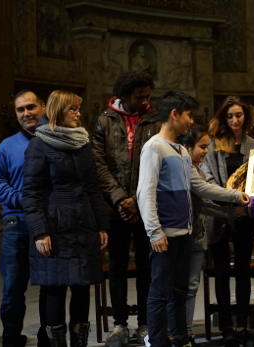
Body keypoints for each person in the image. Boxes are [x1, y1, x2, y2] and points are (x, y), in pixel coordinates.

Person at [136, 91, 249, 347]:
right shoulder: (154, 147)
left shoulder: (181, 151)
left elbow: (201, 188)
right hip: (164, 235)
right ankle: (156, 341)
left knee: (179, 292)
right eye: (188, 115)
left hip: (184, 234)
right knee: (160, 293)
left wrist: (236, 196)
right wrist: (154, 232)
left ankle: (179, 338)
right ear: (174, 115)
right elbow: (145, 192)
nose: (190, 121)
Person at [22, 90, 109, 347]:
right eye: (73, 109)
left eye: (78, 109)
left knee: (82, 288)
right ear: (59, 111)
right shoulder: (39, 143)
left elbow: (93, 188)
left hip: (83, 226)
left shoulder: (83, 143)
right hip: (54, 227)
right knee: (55, 289)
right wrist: (39, 231)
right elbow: (31, 192)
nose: (78, 114)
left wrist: (101, 225)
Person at [91, 70, 160, 347]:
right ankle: (119, 324)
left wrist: (137, 199)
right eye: (138, 97)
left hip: (145, 206)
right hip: (115, 209)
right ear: (123, 96)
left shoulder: (154, 119)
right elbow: (98, 164)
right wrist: (121, 199)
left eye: (147, 96)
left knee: (147, 267)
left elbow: (155, 163)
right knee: (117, 267)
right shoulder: (104, 121)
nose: (144, 102)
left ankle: (145, 323)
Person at [199, 95, 254, 347]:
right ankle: (225, 327)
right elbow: (208, 180)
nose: (235, 120)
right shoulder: (213, 145)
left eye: (239, 115)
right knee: (222, 272)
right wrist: (230, 201)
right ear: (224, 118)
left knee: (243, 271)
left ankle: (242, 324)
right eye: (230, 115)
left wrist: (245, 204)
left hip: (245, 215)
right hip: (219, 215)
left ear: (246, 117)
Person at [0, 90, 50, 347]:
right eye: (20, 109)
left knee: (51, 287)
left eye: (30, 107)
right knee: (13, 290)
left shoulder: (54, 140)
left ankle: (47, 339)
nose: (26, 113)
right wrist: (24, 200)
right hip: (17, 225)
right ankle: (11, 340)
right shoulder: (7, 146)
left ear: (44, 107)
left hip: (49, 226)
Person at [178, 124, 241, 346]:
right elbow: (204, 193)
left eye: (207, 147)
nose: (206, 151)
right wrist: (236, 199)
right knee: (183, 287)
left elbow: (203, 205)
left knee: (192, 285)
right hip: (185, 235)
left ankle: (186, 333)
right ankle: (181, 333)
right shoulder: (186, 169)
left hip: (198, 236)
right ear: (186, 147)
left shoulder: (199, 168)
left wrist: (230, 213)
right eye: (202, 147)